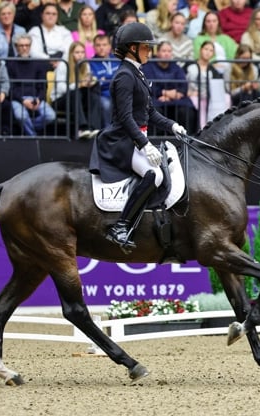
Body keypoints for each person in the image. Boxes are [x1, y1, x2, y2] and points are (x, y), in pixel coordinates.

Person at [89, 23, 187, 251]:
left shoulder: (137, 73)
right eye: (146, 47)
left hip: (135, 138)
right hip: (122, 141)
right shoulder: (124, 76)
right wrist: (144, 144)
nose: (149, 51)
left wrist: (172, 125)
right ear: (132, 48)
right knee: (155, 175)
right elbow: (125, 117)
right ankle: (121, 226)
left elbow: (149, 113)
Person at [141, 40, 199, 133]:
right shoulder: (149, 66)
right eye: (164, 51)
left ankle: (187, 139)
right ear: (158, 52)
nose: (167, 54)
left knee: (187, 111)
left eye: (169, 51)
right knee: (154, 111)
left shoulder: (176, 67)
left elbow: (183, 86)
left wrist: (173, 95)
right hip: (156, 99)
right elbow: (149, 85)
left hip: (176, 100)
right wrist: (164, 93)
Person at [7, 33, 56, 135]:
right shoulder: (10, 64)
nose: (25, 48)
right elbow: (10, 88)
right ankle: (33, 136)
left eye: (27, 45)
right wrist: (23, 100)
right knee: (22, 116)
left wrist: (38, 99)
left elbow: (43, 86)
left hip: (35, 97)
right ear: (16, 47)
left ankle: (28, 128)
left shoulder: (38, 63)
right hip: (18, 99)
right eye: (21, 46)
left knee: (50, 116)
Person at [52, 40, 102, 138]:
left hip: (77, 98)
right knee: (75, 93)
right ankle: (81, 128)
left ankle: (93, 128)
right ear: (71, 53)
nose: (80, 55)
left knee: (93, 96)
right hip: (60, 100)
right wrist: (78, 85)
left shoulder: (85, 64)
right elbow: (60, 88)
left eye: (82, 52)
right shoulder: (63, 65)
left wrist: (90, 82)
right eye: (77, 52)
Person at [186, 40, 230, 128]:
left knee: (227, 97)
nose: (208, 52)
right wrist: (187, 92)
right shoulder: (189, 65)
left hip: (208, 96)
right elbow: (183, 80)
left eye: (211, 51)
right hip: (191, 94)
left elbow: (217, 87)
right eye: (206, 49)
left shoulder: (213, 70)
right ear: (200, 50)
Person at [88, 33, 119, 127]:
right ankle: (108, 132)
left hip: (119, 93)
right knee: (106, 104)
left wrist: (106, 78)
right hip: (103, 94)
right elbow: (97, 83)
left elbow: (123, 78)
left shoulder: (118, 59)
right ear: (94, 47)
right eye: (98, 45)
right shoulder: (90, 63)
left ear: (109, 46)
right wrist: (113, 77)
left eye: (104, 45)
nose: (101, 48)